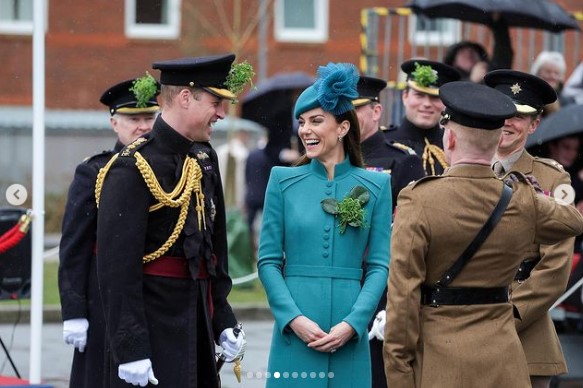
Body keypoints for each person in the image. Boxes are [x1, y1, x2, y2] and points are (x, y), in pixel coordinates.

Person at [383, 80, 583, 387]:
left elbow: (403, 295)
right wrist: (527, 197)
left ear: (448, 139)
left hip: (454, 343)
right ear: (493, 138)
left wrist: (399, 371)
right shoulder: (523, 196)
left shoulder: (420, 197)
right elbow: (572, 220)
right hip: (500, 345)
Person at [95, 54, 248, 388]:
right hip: (153, 327)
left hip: (197, 321)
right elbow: (116, 268)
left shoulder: (204, 157)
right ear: (184, 97)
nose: (222, 113)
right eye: (215, 102)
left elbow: (214, 251)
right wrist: (130, 346)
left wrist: (222, 318)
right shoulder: (131, 166)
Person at [258, 62, 391, 387]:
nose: (305, 130)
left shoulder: (377, 186)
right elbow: (268, 262)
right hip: (295, 330)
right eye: (302, 122)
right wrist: (293, 319)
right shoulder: (281, 180)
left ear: (343, 128)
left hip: (349, 332)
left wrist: (354, 323)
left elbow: (378, 266)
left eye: (316, 121)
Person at [58, 74, 160, 388]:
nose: (143, 126)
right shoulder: (94, 171)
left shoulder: (170, 168)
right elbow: (74, 247)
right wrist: (74, 310)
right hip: (104, 296)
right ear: (114, 123)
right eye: (133, 119)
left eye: (149, 117)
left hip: (156, 294)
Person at [485, 69, 575, 388]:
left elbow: (555, 266)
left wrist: (506, 315)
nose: (508, 121)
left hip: (524, 333)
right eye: (502, 111)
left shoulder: (553, 180)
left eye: (519, 115)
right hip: (458, 332)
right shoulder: (456, 170)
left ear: (534, 124)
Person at [351, 75, 425, 388]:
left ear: (376, 111)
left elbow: (409, 242)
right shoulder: (326, 160)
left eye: (353, 109)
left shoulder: (400, 161)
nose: (345, 118)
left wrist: (389, 307)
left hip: (381, 292)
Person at [385, 59, 461, 175]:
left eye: (434, 97)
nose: (426, 104)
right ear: (405, 96)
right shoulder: (386, 143)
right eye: (419, 95)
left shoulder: (455, 146)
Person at [443, 15, 513, 82]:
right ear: (454, 62)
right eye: (463, 52)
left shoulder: (490, 75)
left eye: (472, 51)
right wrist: (472, 80)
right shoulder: (448, 78)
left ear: (480, 57)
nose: (469, 54)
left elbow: (503, 56)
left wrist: (498, 23)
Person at [530, 51, 568, 117]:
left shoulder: (567, 101)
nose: (552, 76)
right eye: (548, 72)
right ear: (538, 73)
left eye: (556, 73)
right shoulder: (529, 97)